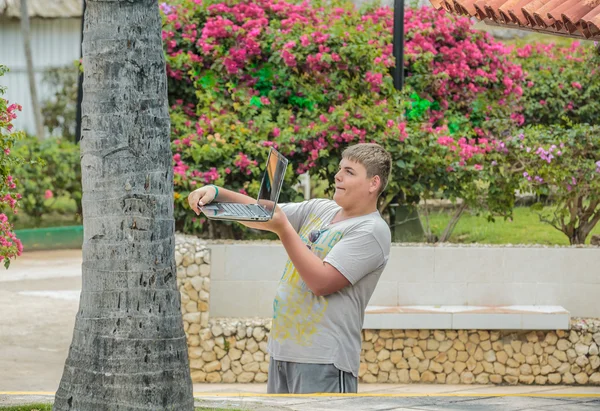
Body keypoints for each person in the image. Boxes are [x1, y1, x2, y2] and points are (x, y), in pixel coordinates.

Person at [187, 143, 392, 393]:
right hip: (282, 352)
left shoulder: (371, 231)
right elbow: (262, 214)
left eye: (349, 172)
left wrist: (283, 229)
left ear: (374, 183)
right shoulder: (322, 208)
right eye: (340, 169)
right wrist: (216, 192)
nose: (337, 176)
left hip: (324, 359)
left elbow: (321, 282)